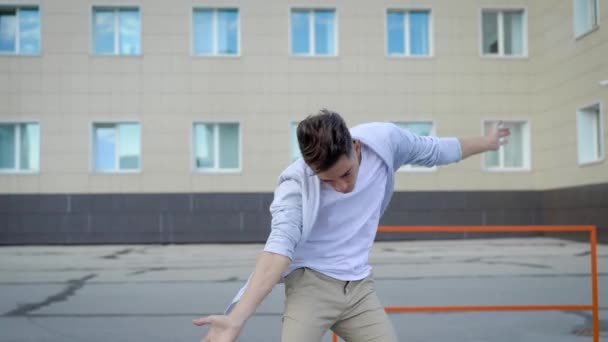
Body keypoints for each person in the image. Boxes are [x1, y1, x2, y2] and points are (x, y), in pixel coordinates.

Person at [193, 109, 510, 342]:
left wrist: (487, 142)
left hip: (359, 289)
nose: (341, 187)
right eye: (328, 181)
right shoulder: (295, 184)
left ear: (356, 148)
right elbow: (278, 249)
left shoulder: (385, 141)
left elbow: (434, 150)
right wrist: (236, 319)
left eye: (346, 174)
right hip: (310, 288)